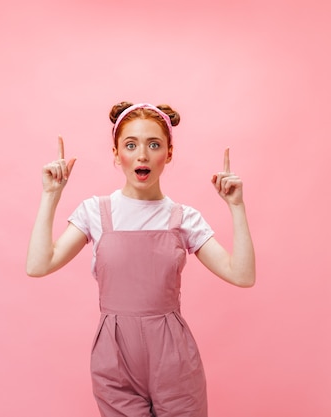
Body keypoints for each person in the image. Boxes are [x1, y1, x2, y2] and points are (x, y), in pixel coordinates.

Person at [26, 102, 255, 417]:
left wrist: (237, 207)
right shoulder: (96, 211)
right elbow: (38, 265)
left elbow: (241, 275)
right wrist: (50, 194)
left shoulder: (183, 218)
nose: (142, 155)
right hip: (115, 357)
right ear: (116, 153)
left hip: (174, 358)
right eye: (130, 145)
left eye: (154, 144)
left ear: (169, 154)